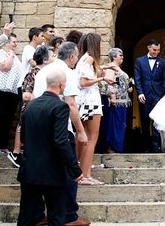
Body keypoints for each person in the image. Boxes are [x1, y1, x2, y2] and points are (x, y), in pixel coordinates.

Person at [17, 68, 84, 226]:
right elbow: (61, 141)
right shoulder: (60, 107)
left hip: (29, 171)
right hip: (52, 172)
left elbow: (24, 137)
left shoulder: (30, 106)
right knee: (56, 217)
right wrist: (75, 170)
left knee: (26, 216)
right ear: (61, 85)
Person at [33, 41, 90, 226]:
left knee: (46, 172)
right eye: (76, 57)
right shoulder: (66, 72)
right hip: (60, 128)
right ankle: (69, 216)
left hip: (40, 128)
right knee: (68, 170)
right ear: (72, 56)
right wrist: (80, 131)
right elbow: (71, 104)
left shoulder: (44, 70)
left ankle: (44, 213)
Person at [76, 33, 111, 184]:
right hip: (90, 103)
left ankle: (84, 172)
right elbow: (83, 82)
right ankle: (86, 175)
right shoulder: (89, 58)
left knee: (84, 138)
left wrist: (104, 67)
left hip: (83, 102)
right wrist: (103, 78)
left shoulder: (83, 58)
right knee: (91, 138)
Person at [0, 33, 23, 152]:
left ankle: (3, 145)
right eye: (14, 42)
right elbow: (5, 67)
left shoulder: (14, 56)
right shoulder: (0, 54)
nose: (15, 44)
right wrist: (11, 56)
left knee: (8, 119)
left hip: (12, 92)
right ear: (6, 42)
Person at [134, 38, 165, 153]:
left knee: (156, 120)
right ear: (148, 47)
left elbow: (164, 79)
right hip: (144, 95)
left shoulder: (162, 62)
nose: (156, 52)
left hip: (158, 95)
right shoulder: (139, 61)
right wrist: (139, 93)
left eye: (158, 50)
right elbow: (137, 78)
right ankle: (145, 146)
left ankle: (156, 146)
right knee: (144, 120)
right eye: (154, 49)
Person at [100, 47, 133, 153]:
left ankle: (118, 147)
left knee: (121, 125)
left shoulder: (118, 68)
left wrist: (129, 86)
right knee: (114, 124)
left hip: (123, 101)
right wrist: (113, 97)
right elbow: (110, 83)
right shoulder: (111, 68)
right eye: (120, 55)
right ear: (114, 57)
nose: (122, 57)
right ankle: (112, 147)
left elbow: (123, 83)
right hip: (116, 101)